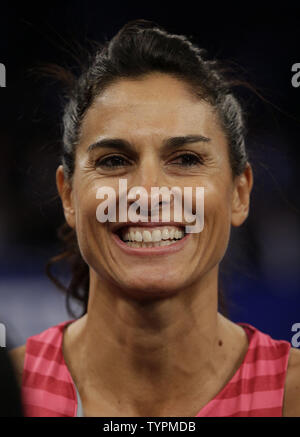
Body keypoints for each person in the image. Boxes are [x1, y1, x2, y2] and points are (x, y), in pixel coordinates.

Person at [8, 19, 300, 417]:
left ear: (239, 194)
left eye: (186, 159)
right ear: (69, 196)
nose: (148, 192)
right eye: (113, 160)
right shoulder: (12, 393)